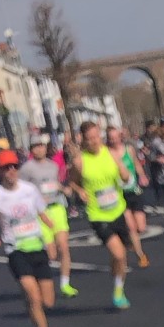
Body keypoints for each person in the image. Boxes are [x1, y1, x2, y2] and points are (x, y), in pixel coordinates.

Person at [0, 149, 63, 327]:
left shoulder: (30, 190)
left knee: (48, 302)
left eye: (14, 166)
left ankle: (30, 303)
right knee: (34, 296)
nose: (11, 171)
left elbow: (43, 215)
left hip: (37, 246)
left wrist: (51, 240)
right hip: (16, 250)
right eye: (6, 168)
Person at [68, 119, 132, 310]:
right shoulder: (80, 162)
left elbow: (125, 176)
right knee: (119, 254)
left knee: (121, 256)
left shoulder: (111, 153)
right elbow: (71, 182)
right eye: (90, 138)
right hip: (98, 215)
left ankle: (117, 275)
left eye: (97, 136)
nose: (95, 141)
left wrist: (123, 172)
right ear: (83, 140)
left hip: (118, 210)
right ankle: (118, 293)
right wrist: (80, 191)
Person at [19, 132, 79, 297]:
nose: (39, 149)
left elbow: (55, 183)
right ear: (31, 149)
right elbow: (20, 191)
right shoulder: (26, 169)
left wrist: (63, 189)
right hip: (40, 213)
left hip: (57, 208)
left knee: (64, 247)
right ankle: (38, 278)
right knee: (51, 254)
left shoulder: (53, 165)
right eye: (36, 146)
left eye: (42, 146)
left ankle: (65, 285)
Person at [107, 126, 151, 266]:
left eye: (116, 137)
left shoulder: (129, 149)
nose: (114, 140)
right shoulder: (107, 154)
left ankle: (127, 240)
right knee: (131, 226)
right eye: (111, 138)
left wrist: (142, 176)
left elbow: (136, 164)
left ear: (120, 137)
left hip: (133, 190)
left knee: (140, 227)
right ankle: (140, 255)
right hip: (119, 194)